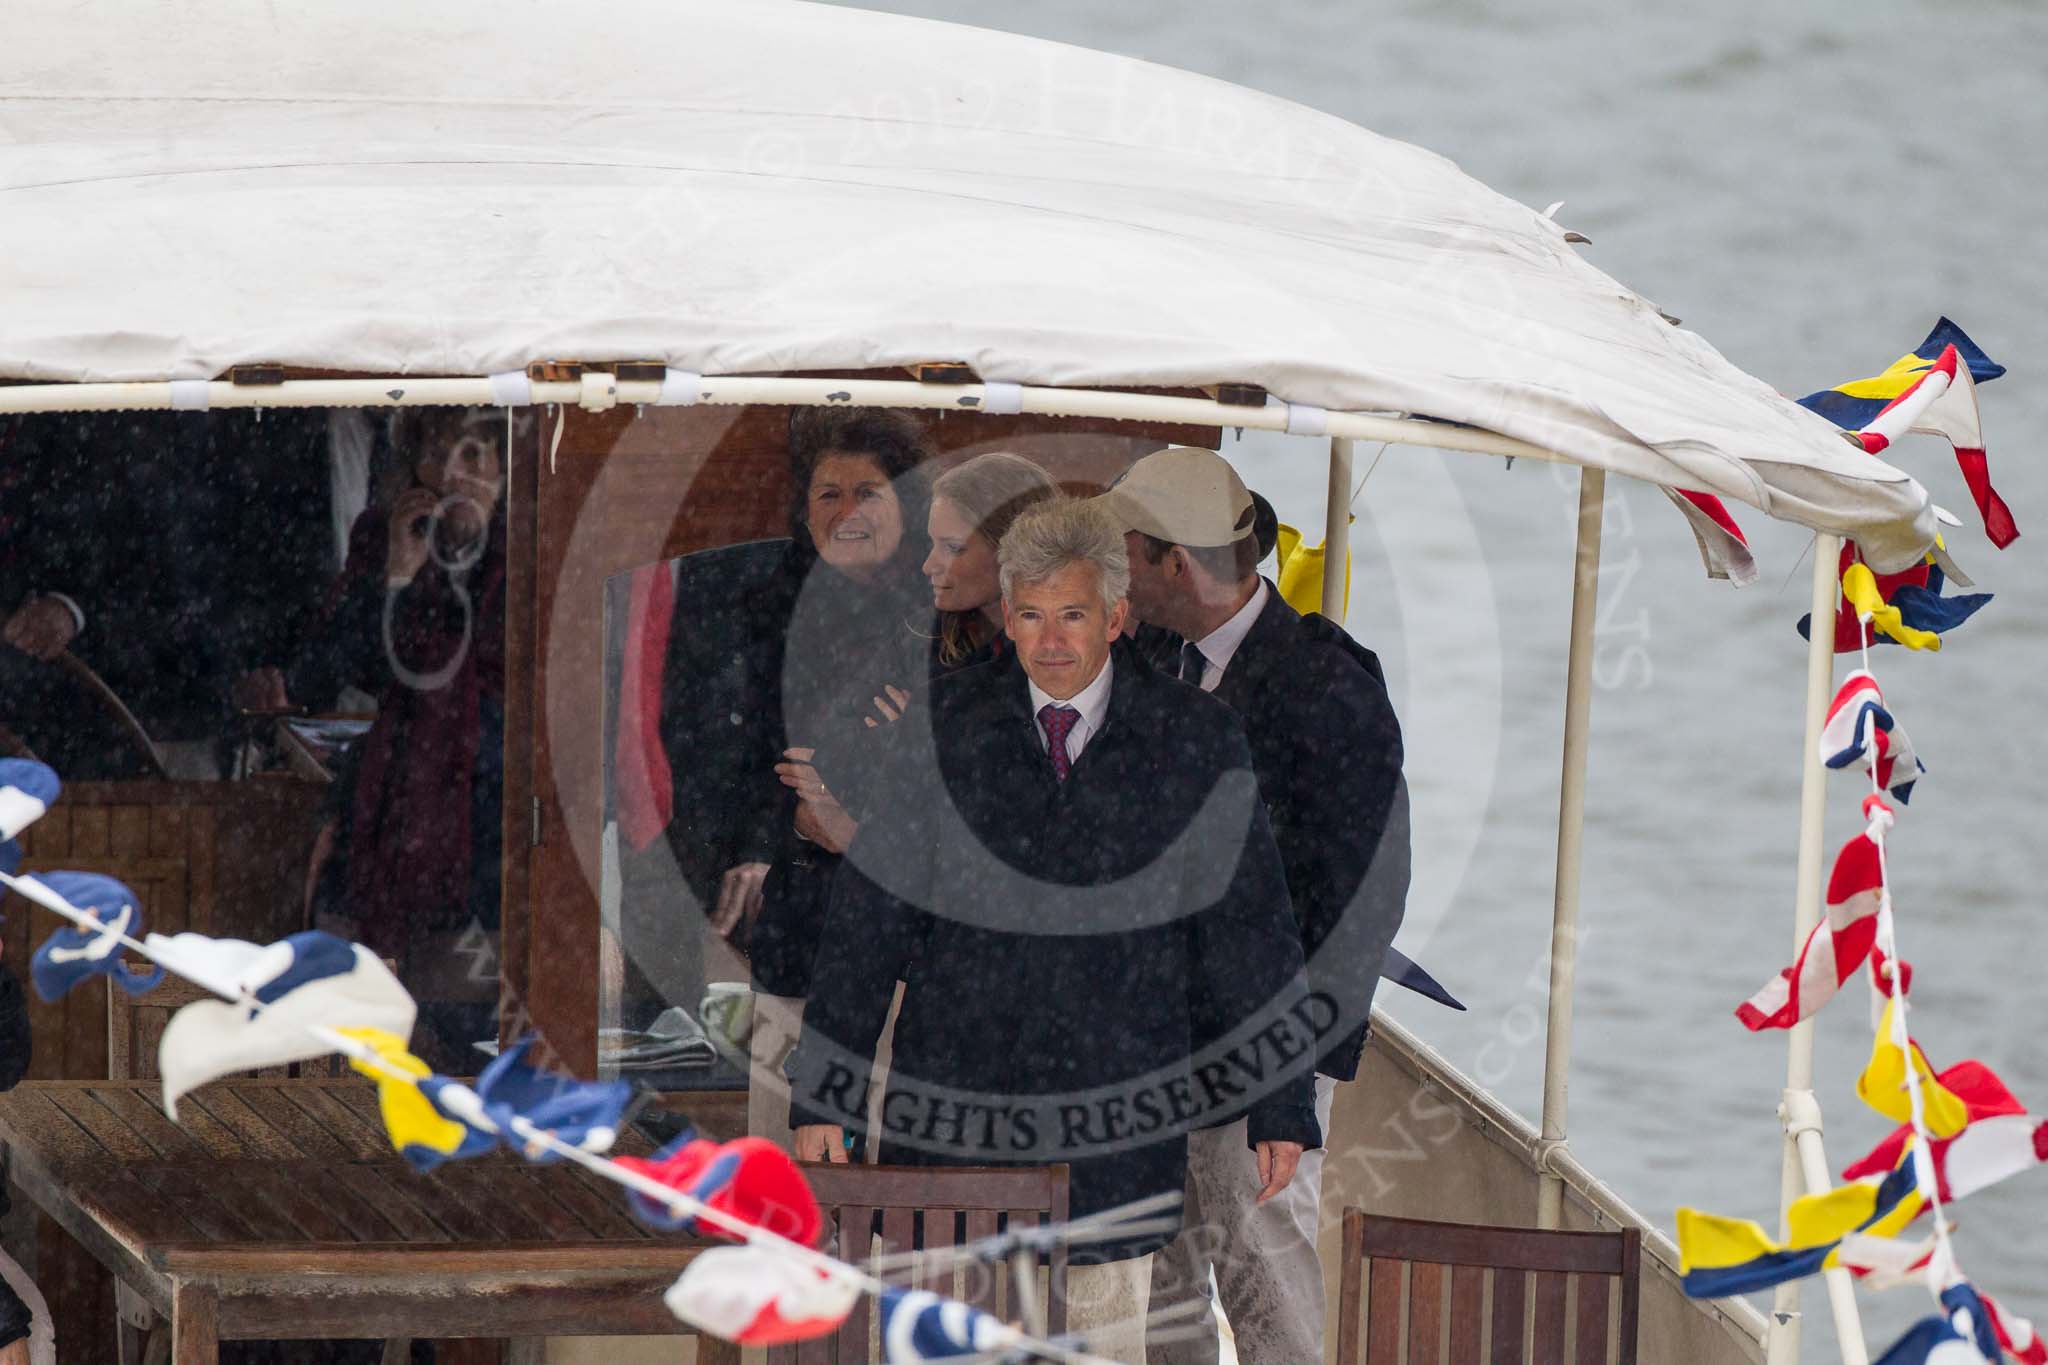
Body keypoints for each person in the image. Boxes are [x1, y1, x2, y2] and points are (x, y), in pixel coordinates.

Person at [787, 499, 1321, 1364]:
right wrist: (825, 1093)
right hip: (953, 1130)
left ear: (1115, 614)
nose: (1051, 639)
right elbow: (866, 920)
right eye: (1030, 614)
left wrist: (1283, 1101)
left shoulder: (1196, 738)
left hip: (1112, 1132)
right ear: (1006, 615)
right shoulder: (941, 728)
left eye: (1072, 614)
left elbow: (1251, 928)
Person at [1101, 447, 1409, 1365]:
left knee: (1265, 1278)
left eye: (1127, 552)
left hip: (1265, 1043)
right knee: (1162, 1281)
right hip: (1154, 1039)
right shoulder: (1146, 657)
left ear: (1176, 565)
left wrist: (1294, 1077)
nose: (1115, 569)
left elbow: (1368, 893)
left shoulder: (1327, 687)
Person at [236, 406, 519, 1070]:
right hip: (397, 790)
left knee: (469, 1009)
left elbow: (474, 670)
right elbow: (343, 665)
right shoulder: (386, 533)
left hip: (487, 800)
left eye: (476, 457)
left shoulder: (522, 551)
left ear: (508, 469)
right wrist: (398, 572)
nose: (456, 473)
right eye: (441, 452)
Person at [775, 450, 1062, 853]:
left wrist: (907, 748)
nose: (929, 565)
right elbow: (820, 757)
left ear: (1015, 553)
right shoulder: (918, 634)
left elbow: (1019, 804)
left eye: (953, 548)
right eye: (932, 544)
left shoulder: (1072, 654)